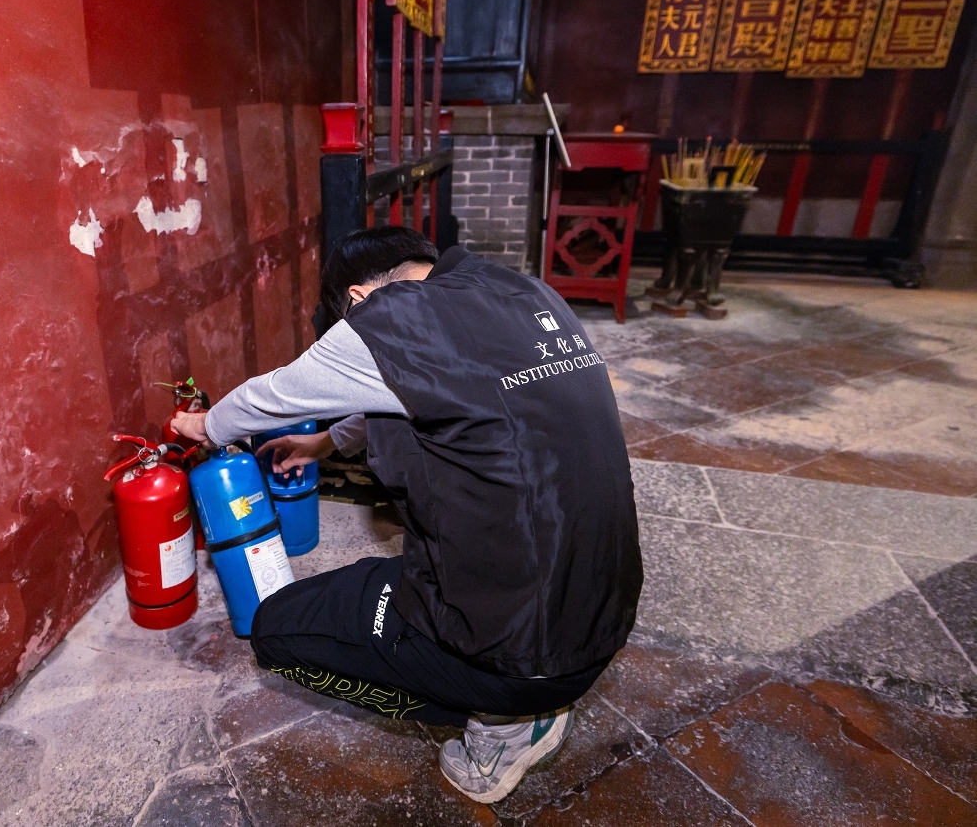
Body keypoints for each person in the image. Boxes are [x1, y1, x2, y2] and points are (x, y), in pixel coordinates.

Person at [172, 226, 642, 803]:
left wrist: (206, 425)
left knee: (277, 631)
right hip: (597, 618)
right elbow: (431, 388)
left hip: (515, 655)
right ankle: (524, 696)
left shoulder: (389, 318)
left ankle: (506, 726)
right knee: (371, 584)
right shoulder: (522, 292)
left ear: (359, 298)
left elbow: (270, 396)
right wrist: (326, 442)